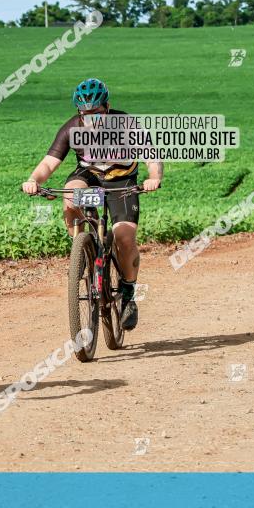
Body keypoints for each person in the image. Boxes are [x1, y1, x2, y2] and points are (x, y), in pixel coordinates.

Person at [21, 78, 162, 330]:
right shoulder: (72, 128)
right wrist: (33, 180)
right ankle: (82, 250)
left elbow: (151, 156)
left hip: (122, 182)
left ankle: (128, 294)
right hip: (89, 177)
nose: (91, 120)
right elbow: (48, 164)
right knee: (70, 195)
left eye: (96, 113)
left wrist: (154, 177)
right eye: (85, 114)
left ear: (107, 107)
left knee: (125, 238)